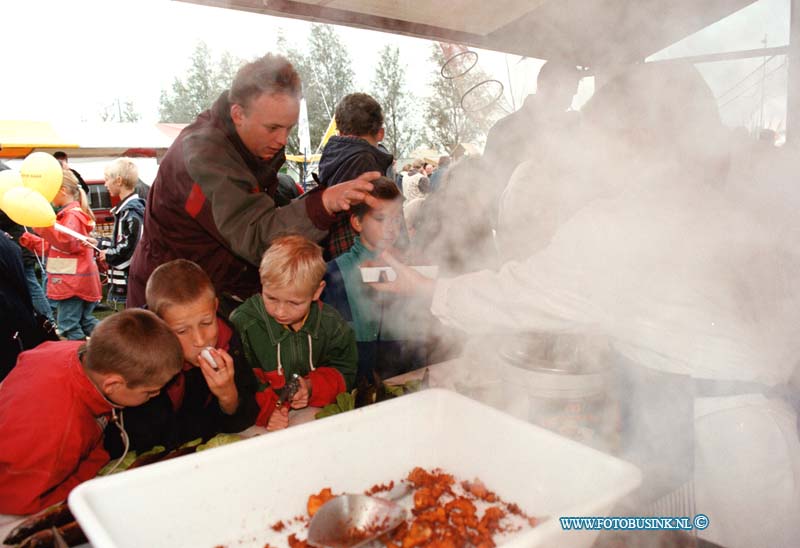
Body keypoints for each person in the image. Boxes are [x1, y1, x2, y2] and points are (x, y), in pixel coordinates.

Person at [373, 62, 800, 548]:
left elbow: (521, 294)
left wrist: (428, 290)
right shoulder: (716, 197)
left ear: (634, 139)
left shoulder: (623, 221)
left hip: (719, 458)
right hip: (755, 436)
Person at [127, 53, 379, 313]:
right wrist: (324, 203)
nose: (282, 140)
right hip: (172, 308)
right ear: (238, 114)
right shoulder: (205, 157)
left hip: (212, 298)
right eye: (272, 128)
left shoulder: (246, 146)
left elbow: (263, 214)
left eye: (288, 128)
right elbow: (257, 235)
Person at [0, 309, 183, 515]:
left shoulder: (81, 354)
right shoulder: (61, 428)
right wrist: (93, 465)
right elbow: (16, 500)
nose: (157, 395)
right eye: (150, 391)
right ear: (113, 384)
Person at [105, 260, 259, 456]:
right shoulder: (138, 357)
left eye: (206, 322)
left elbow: (244, 419)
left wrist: (228, 395)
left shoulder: (227, 341)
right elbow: (126, 441)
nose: (200, 340)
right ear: (158, 325)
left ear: (215, 307)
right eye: (182, 331)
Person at [230, 235, 357, 431]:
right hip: (259, 421)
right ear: (262, 283)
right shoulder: (244, 324)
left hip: (314, 412)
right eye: (271, 298)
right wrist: (271, 409)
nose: (280, 311)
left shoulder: (332, 325)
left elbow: (346, 372)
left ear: (317, 291)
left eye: (293, 303)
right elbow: (240, 387)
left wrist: (311, 386)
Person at [322, 177, 429, 381]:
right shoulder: (333, 274)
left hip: (401, 380)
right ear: (357, 222)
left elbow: (418, 337)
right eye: (380, 219)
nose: (391, 228)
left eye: (397, 219)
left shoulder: (408, 271)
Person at [20, 169, 102, 340]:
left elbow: (67, 242)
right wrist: (28, 239)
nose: (49, 198)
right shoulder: (72, 215)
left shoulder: (72, 215)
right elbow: (56, 246)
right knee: (85, 322)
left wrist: (40, 225)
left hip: (73, 283)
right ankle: (115, 343)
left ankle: (80, 359)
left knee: (69, 327)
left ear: (62, 191)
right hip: (78, 280)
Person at [317, 92, 394, 259]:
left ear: (339, 131)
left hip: (334, 258)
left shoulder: (331, 157)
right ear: (380, 133)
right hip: (360, 264)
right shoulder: (366, 163)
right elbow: (378, 224)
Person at [96, 158, 146, 308]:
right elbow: (121, 241)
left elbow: (130, 247)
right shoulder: (127, 211)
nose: (105, 184)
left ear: (118, 180)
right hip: (129, 278)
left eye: (106, 180)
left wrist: (109, 254)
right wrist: (98, 243)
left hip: (131, 278)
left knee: (135, 318)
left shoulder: (131, 212)